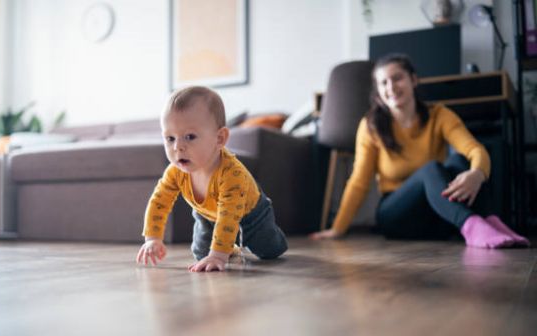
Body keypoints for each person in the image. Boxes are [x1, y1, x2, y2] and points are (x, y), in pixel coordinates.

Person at [311, 53, 529, 248]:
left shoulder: (439, 115)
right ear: (378, 91)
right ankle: (472, 226)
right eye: (383, 83)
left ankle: (490, 223)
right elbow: (359, 181)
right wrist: (338, 228)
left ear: (413, 80)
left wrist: (477, 174)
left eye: (397, 78)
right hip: (396, 216)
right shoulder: (371, 126)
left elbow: (474, 149)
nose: (391, 87)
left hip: (437, 213)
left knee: (459, 164)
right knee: (432, 169)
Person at [136, 86, 288, 272]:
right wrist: (153, 238)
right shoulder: (175, 172)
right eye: (170, 138)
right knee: (201, 254)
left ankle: (273, 236)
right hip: (207, 214)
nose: (178, 147)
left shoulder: (232, 174)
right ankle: (228, 245)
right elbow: (159, 201)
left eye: (190, 137)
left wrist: (218, 255)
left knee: (269, 250)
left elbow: (229, 215)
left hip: (252, 214)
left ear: (219, 139)